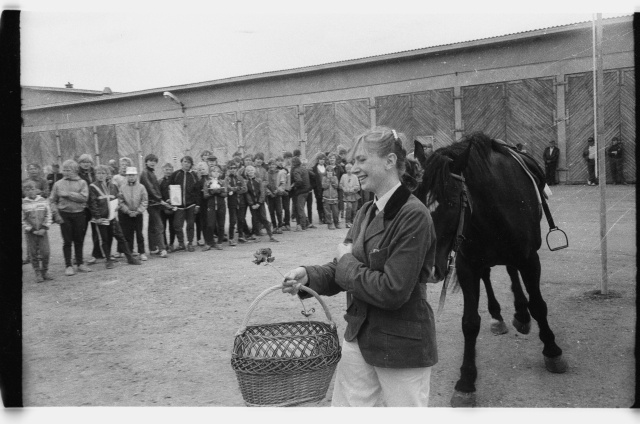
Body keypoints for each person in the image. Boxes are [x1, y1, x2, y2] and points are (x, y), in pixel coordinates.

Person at [282, 126, 437, 407]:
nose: (354, 168)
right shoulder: (367, 211)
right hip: (359, 336)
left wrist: (345, 262)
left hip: (402, 345)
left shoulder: (414, 215)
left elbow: (392, 289)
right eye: (354, 161)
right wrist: (309, 276)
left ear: (390, 161)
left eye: (362, 160)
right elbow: (342, 268)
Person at [88, 165, 142, 269]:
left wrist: (118, 205)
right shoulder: (93, 187)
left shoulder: (113, 186)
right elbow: (93, 203)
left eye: (103, 173)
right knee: (105, 239)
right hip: (102, 219)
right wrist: (97, 217)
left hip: (112, 217)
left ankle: (129, 257)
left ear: (107, 174)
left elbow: (118, 197)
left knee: (120, 237)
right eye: (98, 173)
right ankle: (108, 259)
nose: (101, 175)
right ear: (95, 175)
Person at [50, 159, 92, 276]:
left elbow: (84, 198)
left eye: (68, 170)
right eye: (64, 170)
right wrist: (56, 214)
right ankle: (68, 265)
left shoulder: (82, 183)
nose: (65, 172)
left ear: (75, 170)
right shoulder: (58, 184)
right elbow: (52, 200)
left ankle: (80, 263)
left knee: (79, 240)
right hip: (64, 214)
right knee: (67, 241)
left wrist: (68, 194)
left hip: (79, 214)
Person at [22, 180, 53, 282]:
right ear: (24, 191)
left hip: (43, 231)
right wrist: (31, 230)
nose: (30, 191)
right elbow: (22, 219)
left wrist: (44, 228)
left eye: (32, 189)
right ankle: (37, 272)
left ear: (37, 190)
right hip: (31, 233)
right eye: (27, 189)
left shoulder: (43, 201)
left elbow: (48, 215)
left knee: (46, 252)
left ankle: (45, 271)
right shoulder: (23, 204)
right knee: (33, 253)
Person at [139, 153, 169, 258]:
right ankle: (162, 249)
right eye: (150, 160)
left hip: (155, 202)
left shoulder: (151, 173)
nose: (152, 163)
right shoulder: (144, 173)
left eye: (154, 161)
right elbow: (150, 188)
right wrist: (160, 200)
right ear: (146, 162)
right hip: (152, 203)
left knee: (152, 225)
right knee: (159, 225)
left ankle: (152, 248)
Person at [168, 156, 200, 251]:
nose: (187, 164)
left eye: (189, 162)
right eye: (185, 162)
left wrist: (197, 204)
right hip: (179, 205)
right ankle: (181, 243)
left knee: (190, 224)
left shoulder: (194, 175)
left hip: (191, 204)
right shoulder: (176, 174)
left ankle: (190, 243)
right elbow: (170, 187)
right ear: (181, 163)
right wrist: (171, 200)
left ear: (191, 164)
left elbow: (198, 191)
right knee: (177, 225)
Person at [118, 167, 148, 260]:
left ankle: (142, 252)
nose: (131, 177)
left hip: (138, 214)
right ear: (126, 176)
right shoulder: (122, 187)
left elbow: (144, 201)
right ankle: (130, 252)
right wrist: (127, 211)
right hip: (127, 214)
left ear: (136, 176)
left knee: (139, 233)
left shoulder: (141, 187)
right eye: (129, 175)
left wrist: (138, 211)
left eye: (133, 175)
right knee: (128, 234)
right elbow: (120, 201)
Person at [244, 165, 279, 243]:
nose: (250, 172)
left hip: (260, 203)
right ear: (246, 172)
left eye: (252, 170)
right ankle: (256, 235)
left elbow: (262, 192)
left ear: (254, 171)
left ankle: (271, 235)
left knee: (263, 218)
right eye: (248, 171)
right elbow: (247, 194)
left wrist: (259, 203)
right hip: (252, 204)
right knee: (255, 219)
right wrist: (252, 204)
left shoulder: (259, 180)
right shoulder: (246, 182)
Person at [202, 164, 227, 250]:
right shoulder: (207, 182)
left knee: (221, 224)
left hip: (221, 205)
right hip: (211, 205)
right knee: (210, 224)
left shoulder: (223, 182)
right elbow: (205, 195)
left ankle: (219, 242)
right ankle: (209, 242)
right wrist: (211, 193)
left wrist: (219, 192)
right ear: (210, 173)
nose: (215, 173)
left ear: (220, 173)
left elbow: (225, 193)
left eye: (217, 171)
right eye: (213, 171)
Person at [225, 160, 251, 244]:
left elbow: (245, 188)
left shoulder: (240, 177)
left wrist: (236, 189)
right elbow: (227, 188)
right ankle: (231, 238)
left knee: (241, 219)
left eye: (234, 168)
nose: (233, 170)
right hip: (232, 202)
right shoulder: (227, 178)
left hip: (241, 202)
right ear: (228, 169)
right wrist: (236, 188)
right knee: (232, 221)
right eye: (231, 168)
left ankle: (241, 236)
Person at [159, 163, 177, 251]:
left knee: (172, 226)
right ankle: (165, 244)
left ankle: (171, 243)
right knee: (163, 226)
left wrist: (172, 200)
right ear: (163, 170)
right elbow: (158, 194)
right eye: (166, 170)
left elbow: (177, 193)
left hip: (172, 206)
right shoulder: (160, 181)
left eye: (170, 170)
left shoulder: (175, 181)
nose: (168, 172)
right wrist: (164, 202)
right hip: (163, 207)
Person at [290, 156, 311, 231]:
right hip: (306, 191)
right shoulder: (303, 168)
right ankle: (306, 223)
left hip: (301, 191)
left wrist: (293, 186)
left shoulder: (296, 170)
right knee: (302, 208)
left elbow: (299, 181)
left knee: (300, 208)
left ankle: (303, 225)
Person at [193, 161, 210, 246]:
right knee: (200, 222)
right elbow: (197, 194)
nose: (202, 171)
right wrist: (197, 204)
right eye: (200, 169)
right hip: (200, 203)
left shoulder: (209, 179)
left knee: (208, 221)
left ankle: (208, 238)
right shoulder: (197, 180)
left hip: (208, 203)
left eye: (203, 169)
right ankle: (199, 238)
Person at [340, 162, 360, 228]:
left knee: (354, 209)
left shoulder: (355, 176)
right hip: (347, 195)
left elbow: (358, 186)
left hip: (354, 195)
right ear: (345, 169)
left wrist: (353, 189)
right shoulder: (343, 176)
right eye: (347, 168)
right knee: (349, 208)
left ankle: (353, 222)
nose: (349, 170)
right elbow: (340, 184)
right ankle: (347, 222)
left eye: (350, 168)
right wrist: (344, 189)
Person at [322, 165, 341, 230]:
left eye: (331, 172)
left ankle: (336, 223)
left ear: (333, 172)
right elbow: (324, 186)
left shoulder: (335, 177)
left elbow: (336, 186)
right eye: (328, 172)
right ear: (326, 172)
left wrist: (332, 181)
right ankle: (329, 223)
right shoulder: (324, 178)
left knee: (335, 211)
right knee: (327, 212)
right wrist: (328, 181)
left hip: (334, 197)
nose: (330, 173)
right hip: (326, 197)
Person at [311, 153, 327, 224]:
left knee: (326, 202)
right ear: (318, 160)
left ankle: (326, 217)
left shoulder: (326, 167)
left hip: (326, 188)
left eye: (323, 159)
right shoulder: (314, 168)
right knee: (319, 202)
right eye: (320, 159)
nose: (322, 161)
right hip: (318, 188)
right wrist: (315, 186)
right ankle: (321, 217)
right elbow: (313, 179)